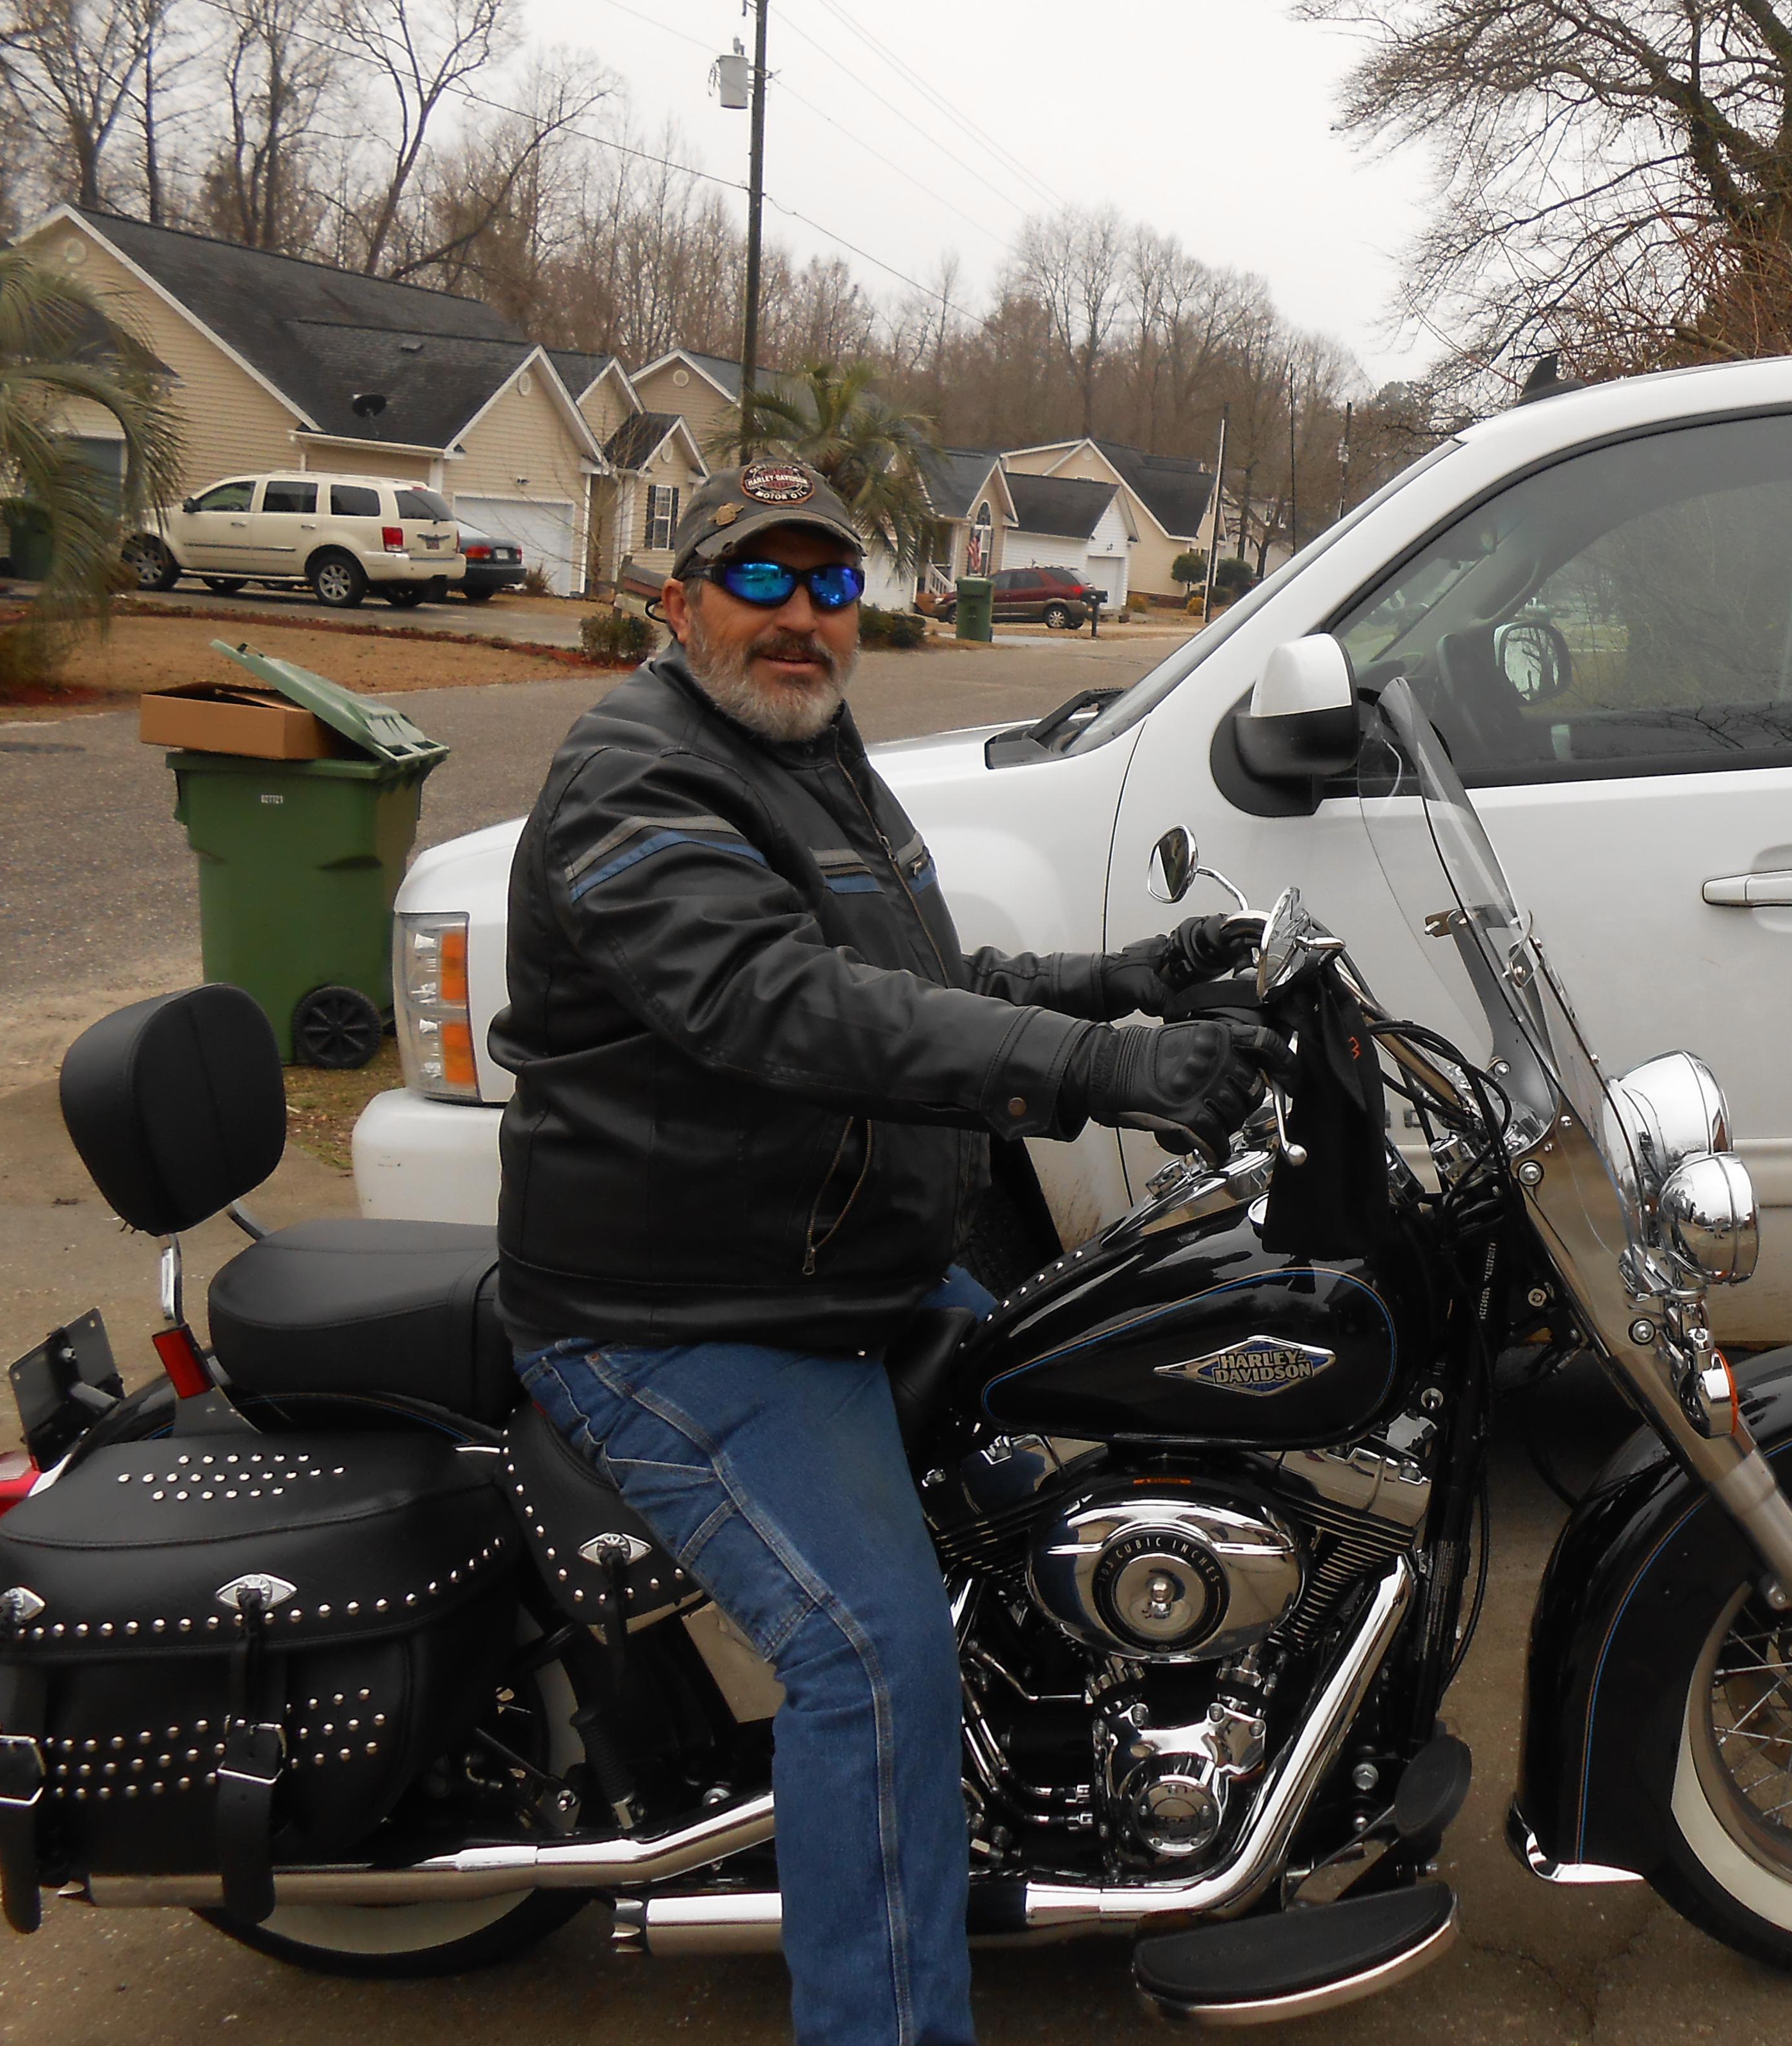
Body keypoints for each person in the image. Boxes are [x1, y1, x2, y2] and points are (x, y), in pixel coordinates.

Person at [487, 460, 1284, 2046]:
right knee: (868, 1656)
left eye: (830, 584)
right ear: (679, 603)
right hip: (690, 1314)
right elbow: (780, 1005)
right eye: (760, 580)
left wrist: (1120, 979)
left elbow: (921, 969)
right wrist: (1100, 1074)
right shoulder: (635, 776)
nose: (801, 616)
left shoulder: (808, 754)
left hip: (842, 1271)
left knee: (1105, 1442)